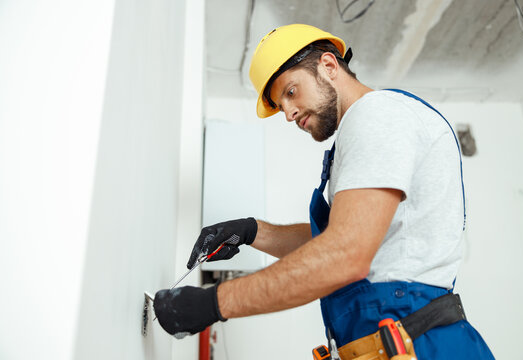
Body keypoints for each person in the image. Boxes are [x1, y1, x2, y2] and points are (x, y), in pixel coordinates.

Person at [153, 24, 494, 359]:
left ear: (329, 66)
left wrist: (214, 303)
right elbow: (337, 238)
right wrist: (250, 232)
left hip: (417, 341)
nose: (288, 113)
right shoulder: (368, 128)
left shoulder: (378, 115)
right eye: (280, 105)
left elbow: (345, 254)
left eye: (290, 92)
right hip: (394, 336)